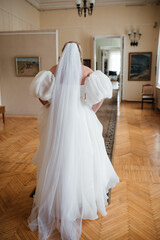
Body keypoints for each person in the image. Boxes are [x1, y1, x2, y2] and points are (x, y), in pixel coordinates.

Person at [28, 41, 119, 240]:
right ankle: (79, 201)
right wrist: (88, 110)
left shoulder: (53, 71)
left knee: (57, 157)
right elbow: (100, 97)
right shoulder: (88, 72)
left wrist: (52, 108)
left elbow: (41, 96)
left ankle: (58, 201)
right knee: (83, 158)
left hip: (59, 122)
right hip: (81, 119)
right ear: (80, 54)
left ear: (62, 54)